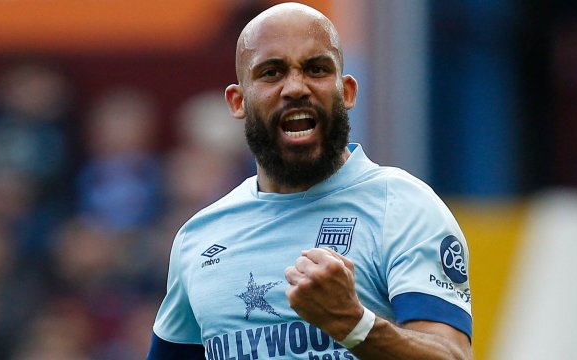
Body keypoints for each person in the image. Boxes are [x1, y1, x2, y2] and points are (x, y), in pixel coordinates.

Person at [148, 3, 473, 359]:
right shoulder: (200, 238)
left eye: (316, 69)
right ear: (238, 101)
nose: (295, 88)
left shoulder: (402, 207)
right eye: (272, 73)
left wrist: (353, 323)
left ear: (347, 92)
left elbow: (453, 355)